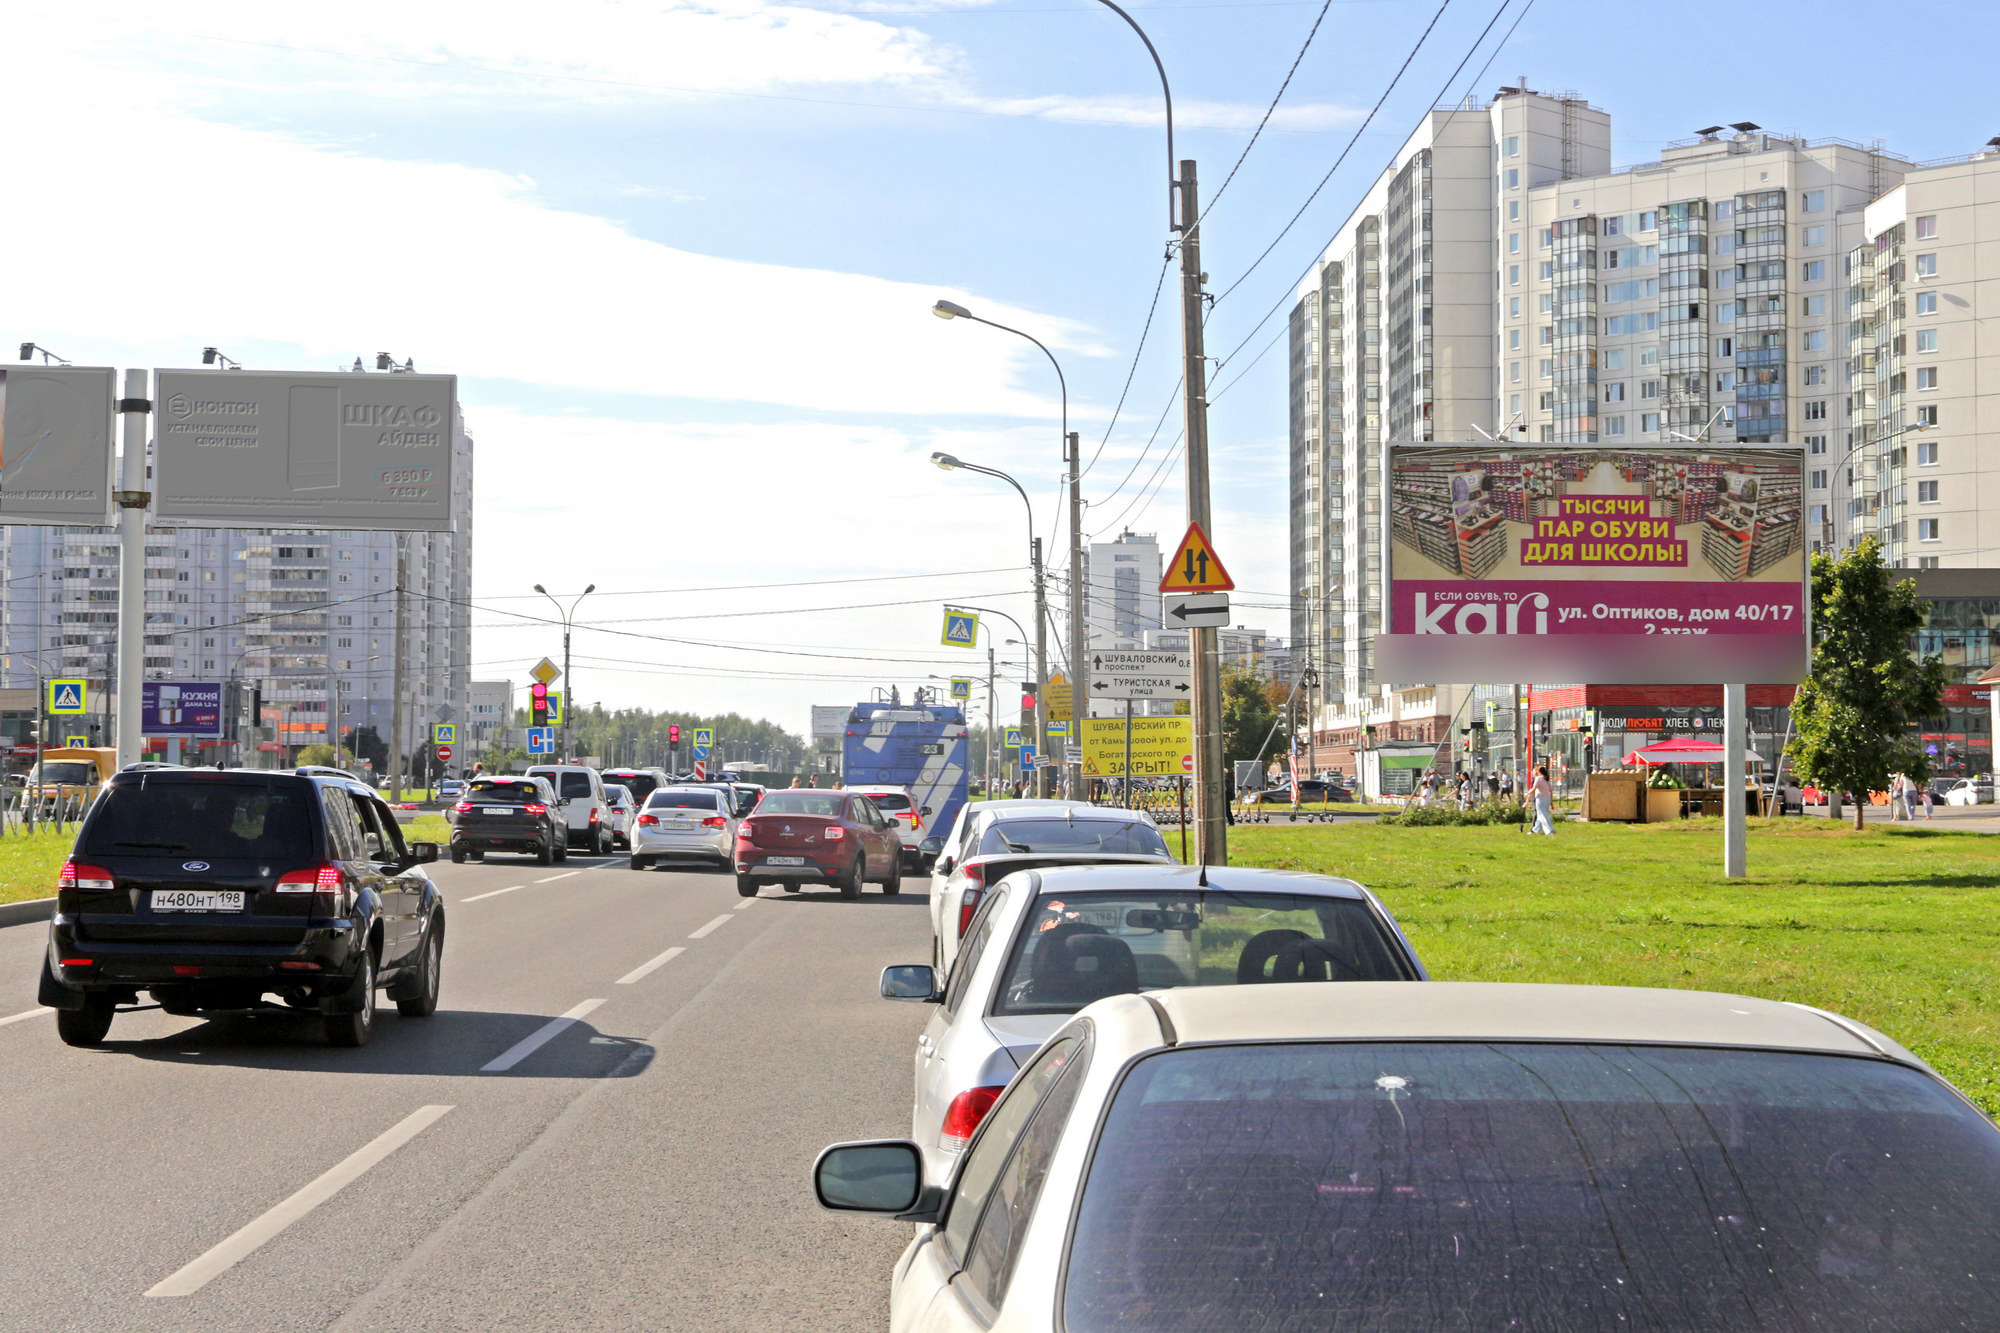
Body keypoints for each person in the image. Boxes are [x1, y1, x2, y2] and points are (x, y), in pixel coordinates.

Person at [1529, 764, 1555, 835]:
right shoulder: (1547, 779)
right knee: (1541, 815)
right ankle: (1536, 829)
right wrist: (1551, 802)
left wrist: (1528, 793)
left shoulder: (1538, 778)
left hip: (1540, 799)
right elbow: (1550, 791)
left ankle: (1549, 830)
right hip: (1547, 798)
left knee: (1543, 814)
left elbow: (1534, 788)